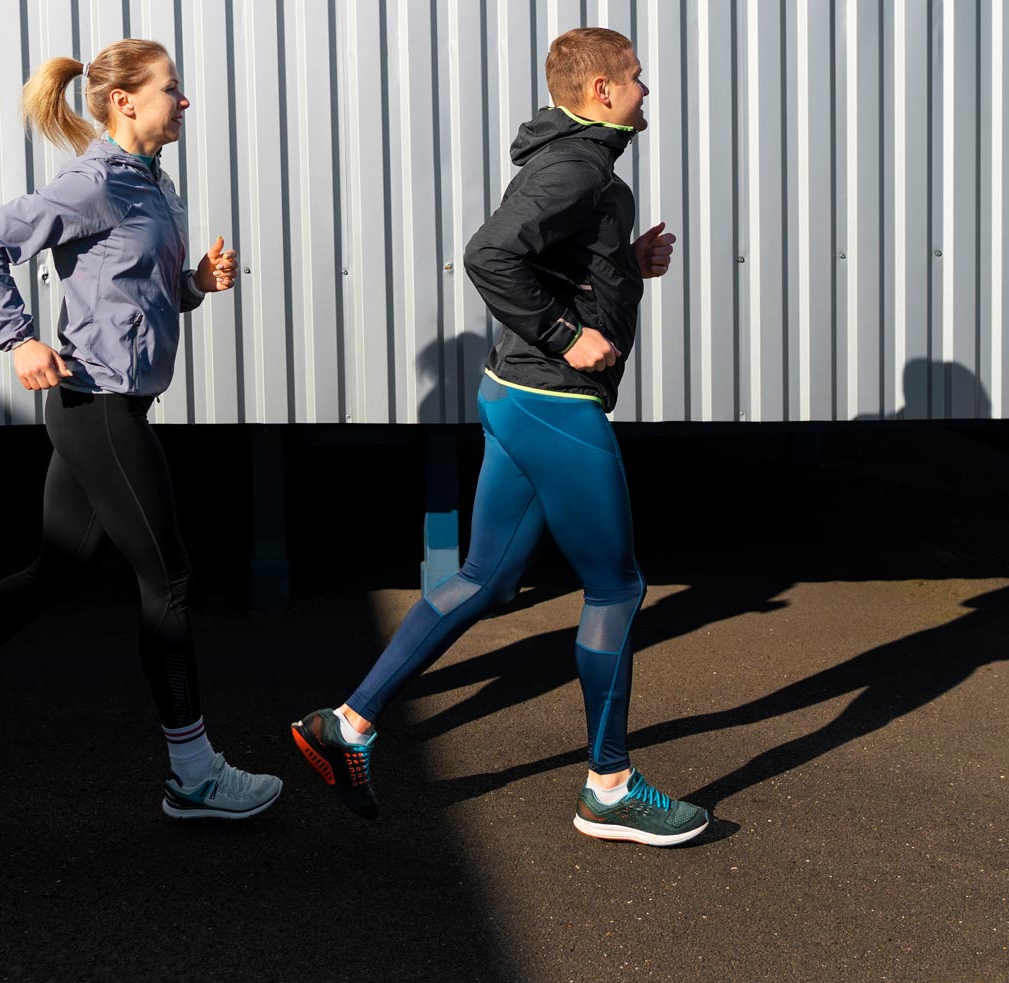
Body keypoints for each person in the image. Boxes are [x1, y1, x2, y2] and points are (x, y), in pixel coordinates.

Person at [290, 27, 707, 846]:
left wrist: (623, 262)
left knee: (484, 574)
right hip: (553, 401)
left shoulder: (579, 160)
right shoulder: (576, 165)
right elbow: (491, 257)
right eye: (635, 77)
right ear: (600, 92)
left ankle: (348, 722)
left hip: (516, 395)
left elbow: (553, 258)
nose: (645, 89)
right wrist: (564, 334)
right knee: (616, 588)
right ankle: (610, 785)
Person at [0, 38, 281, 821]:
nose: (184, 103)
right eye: (171, 90)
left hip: (112, 404)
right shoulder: (93, 183)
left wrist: (194, 285)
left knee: (56, 572)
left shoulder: (157, 182)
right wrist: (18, 336)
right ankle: (193, 774)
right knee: (170, 580)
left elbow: (132, 294)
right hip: (98, 409)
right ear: (126, 101)